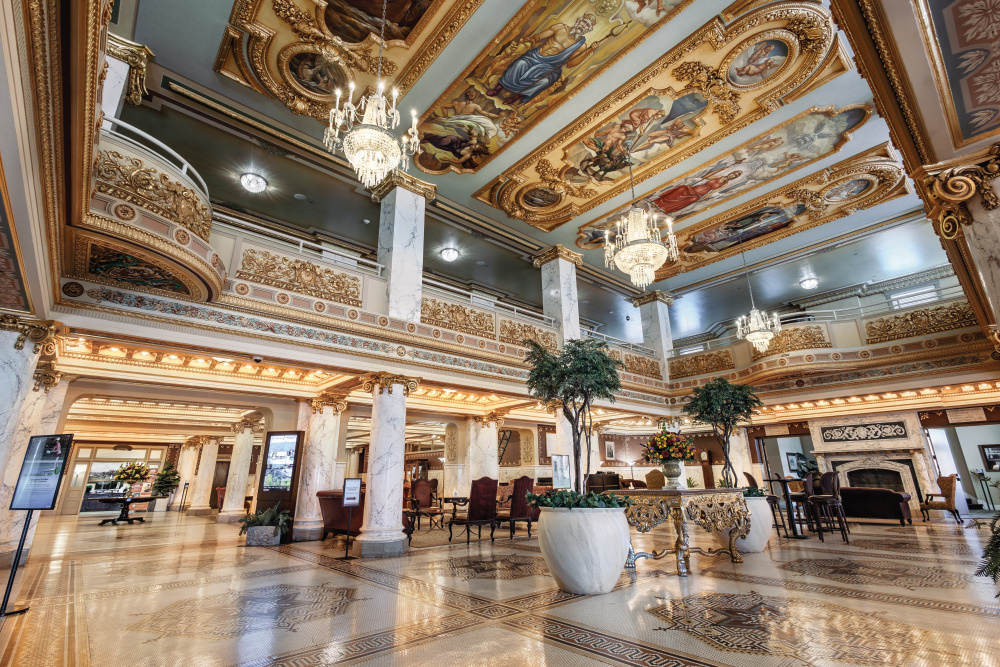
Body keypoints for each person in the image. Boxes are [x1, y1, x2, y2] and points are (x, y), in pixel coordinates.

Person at [485, 14, 599, 105]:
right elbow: (538, 37)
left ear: (588, 30)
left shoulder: (581, 46)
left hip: (550, 67)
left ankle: (515, 97)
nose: (583, 26)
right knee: (520, 63)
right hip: (535, 56)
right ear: (578, 20)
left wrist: (588, 51)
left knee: (543, 82)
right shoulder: (560, 28)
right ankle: (498, 88)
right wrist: (529, 42)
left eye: (586, 26)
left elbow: (570, 64)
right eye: (583, 22)